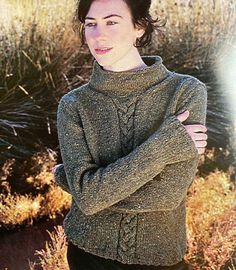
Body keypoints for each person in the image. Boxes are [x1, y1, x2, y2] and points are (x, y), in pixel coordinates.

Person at [53, 0, 208, 269]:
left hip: (159, 255)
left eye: (111, 22)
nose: (98, 35)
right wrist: (161, 147)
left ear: (140, 26)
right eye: (91, 24)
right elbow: (89, 199)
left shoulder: (185, 92)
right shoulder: (74, 104)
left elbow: (168, 195)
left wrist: (77, 184)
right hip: (88, 252)